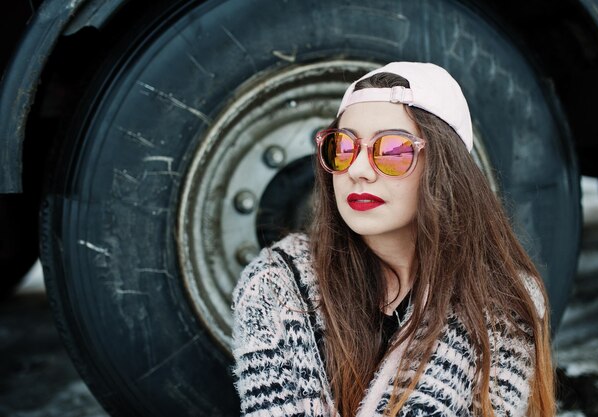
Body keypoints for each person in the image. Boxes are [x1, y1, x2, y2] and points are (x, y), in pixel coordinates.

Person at [230, 62, 555, 417]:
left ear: (444, 169)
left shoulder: (501, 305)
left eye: (392, 151)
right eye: (343, 146)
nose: (357, 170)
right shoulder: (274, 288)